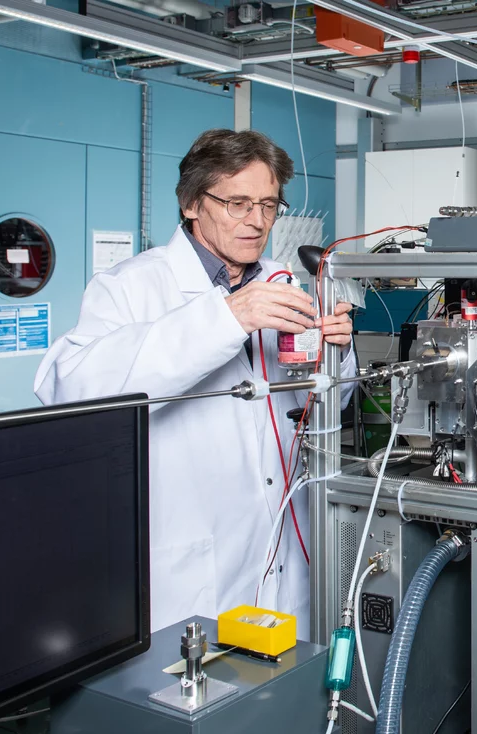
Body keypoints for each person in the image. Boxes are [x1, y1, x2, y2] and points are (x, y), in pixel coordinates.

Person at [35, 129, 357, 637]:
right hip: (192, 566)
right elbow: (69, 390)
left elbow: (325, 410)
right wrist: (226, 319)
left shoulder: (286, 285)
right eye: (238, 203)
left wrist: (339, 354)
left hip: (287, 552)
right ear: (191, 203)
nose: (257, 222)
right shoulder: (130, 287)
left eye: (270, 205)